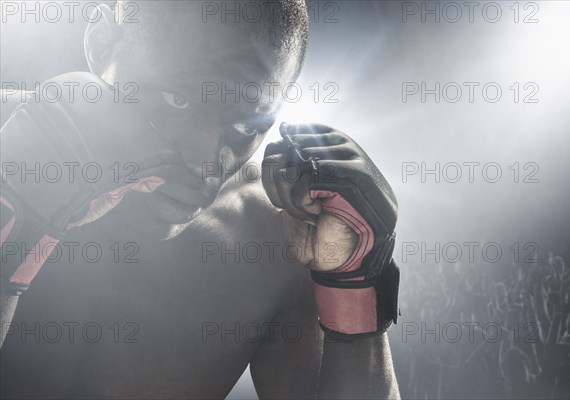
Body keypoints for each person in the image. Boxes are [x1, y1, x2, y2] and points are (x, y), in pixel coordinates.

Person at [0, 1, 401, 399]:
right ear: (103, 42)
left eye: (246, 125)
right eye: (178, 100)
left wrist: (356, 288)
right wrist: (16, 220)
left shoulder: (274, 241)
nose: (204, 165)